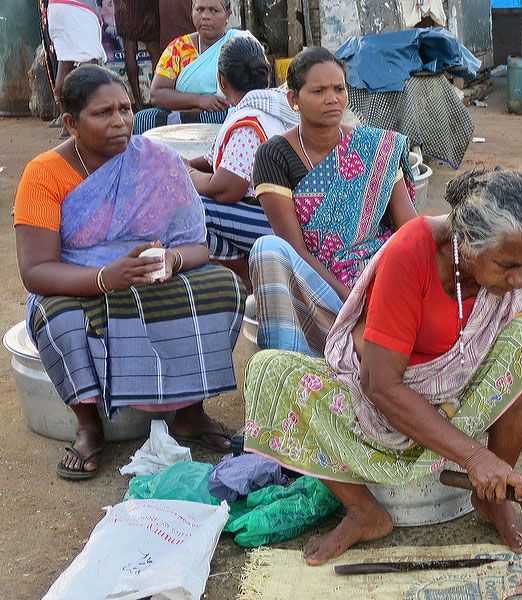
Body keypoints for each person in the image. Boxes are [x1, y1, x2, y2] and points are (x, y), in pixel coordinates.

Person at [244, 168, 522, 565]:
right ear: (468, 245)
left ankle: (492, 501)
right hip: (376, 407)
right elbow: (380, 384)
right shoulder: (411, 254)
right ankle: (364, 509)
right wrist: (475, 458)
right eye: (510, 266)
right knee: (268, 371)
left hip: (456, 403)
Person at [14, 65, 246, 480]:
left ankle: (190, 413)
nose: (120, 122)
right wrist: (106, 278)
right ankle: (89, 427)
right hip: (82, 284)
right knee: (56, 316)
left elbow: (198, 246)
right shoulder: (43, 174)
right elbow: (36, 271)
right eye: (103, 113)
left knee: (223, 288)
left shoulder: (157, 160)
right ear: (71, 123)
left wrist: (171, 261)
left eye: (125, 108)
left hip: (148, 280)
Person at [249, 46, 417, 356]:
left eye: (339, 89)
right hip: (318, 283)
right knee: (267, 250)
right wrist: (350, 301)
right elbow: (295, 250)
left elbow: (409, 228)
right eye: (319, 91)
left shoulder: (374, 146)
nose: (332, 98)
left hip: (376, 272)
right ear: (293, 100)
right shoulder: (275, 156)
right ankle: (294, 366)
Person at [186, 37, 299, 289]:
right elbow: (214, 158)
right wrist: (184, 163)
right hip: (283, 215)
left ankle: (250, 284)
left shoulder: (251, 121)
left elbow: (227, 189)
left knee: (192, 208)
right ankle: (249, 278)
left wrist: (188, 174)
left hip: (279, 224)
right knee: (206, 225)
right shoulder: (271, 104)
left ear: (222, 81)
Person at [132, 0, 243, 134]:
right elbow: (156, 94)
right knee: (143, 119)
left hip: (222, 117)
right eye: (200, 10)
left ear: (227, 16)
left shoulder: (240, 43)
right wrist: (200, 101)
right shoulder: (178, 48)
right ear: (191, 12)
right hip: (183, 117)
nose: (205, 16)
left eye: (214, 10)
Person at [46, 0, 106, 135]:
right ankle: (91, 120)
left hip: (56, 8)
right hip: (80, 8)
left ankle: (67, 124)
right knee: (89, 62)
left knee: (64, 63)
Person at [112, 0, 162, 111]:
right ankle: (158, 99)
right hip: (148, 7)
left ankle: (138, 103)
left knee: (129, 50)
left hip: (126, 6)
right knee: (154, 52)